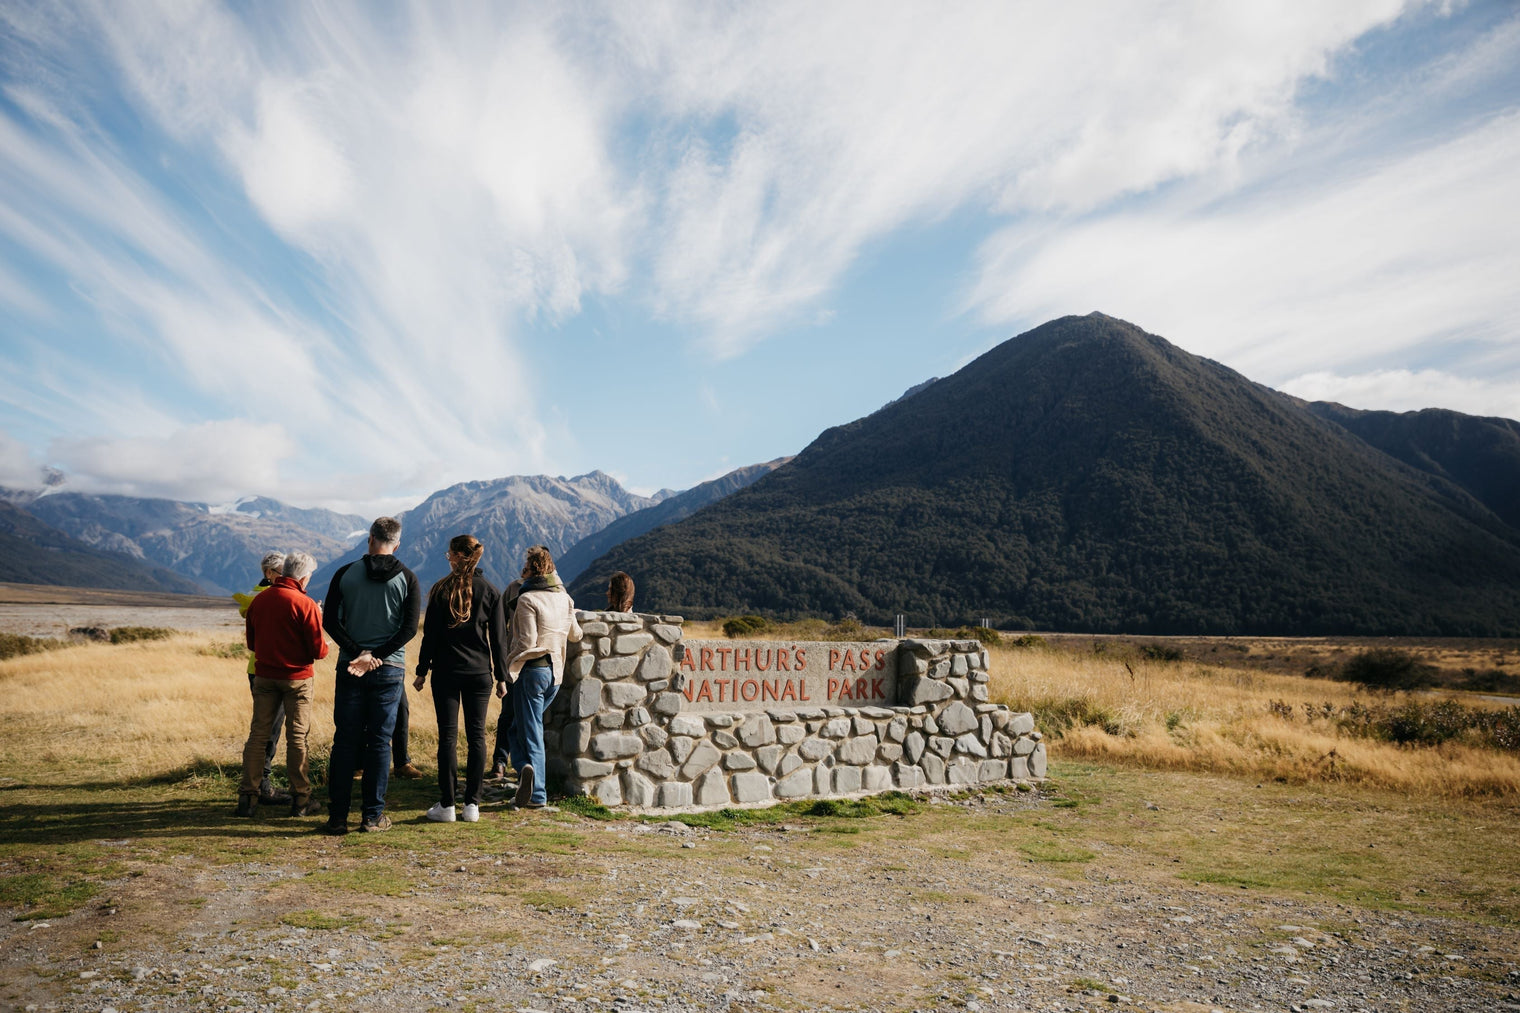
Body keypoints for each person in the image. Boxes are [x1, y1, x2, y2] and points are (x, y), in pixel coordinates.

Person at [321, 517, 421, 834]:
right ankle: (372, 816)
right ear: (397, 543)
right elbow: (408, 629)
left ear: (370, 539)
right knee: (380, 742)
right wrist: (376, 655)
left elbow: (330, 622)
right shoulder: (408, 578)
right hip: (389, 668)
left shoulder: (344, 573)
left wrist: (359, 653)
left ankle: (337, 817)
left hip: (351, 665)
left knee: (345, 741)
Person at [413, 535, 507, 823]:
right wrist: (502, 677)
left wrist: (421, 669)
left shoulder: (441, 589)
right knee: (477, 736)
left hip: (446, 673)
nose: (448, 558)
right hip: (480, 674)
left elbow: (430, 636)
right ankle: (473, 805)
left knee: (448, 738)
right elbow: (499, 639)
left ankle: (447, 805)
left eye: (448, 554)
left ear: (456, 555)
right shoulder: (490, 590)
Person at [237, 551, 328, 818]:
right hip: (297, 679)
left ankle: (248, 798)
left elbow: (252, 644)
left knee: (258, 735)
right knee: (297, 738)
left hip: (264, 677)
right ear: (304, 576)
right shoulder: (306, 603)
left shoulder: (259, 601)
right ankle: (301, 799)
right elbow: (318, 651)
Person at [503, 545, 582, 809]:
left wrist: (508, 662)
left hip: (533, 672)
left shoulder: (527, 599)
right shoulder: (565, 598)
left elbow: (526, 641)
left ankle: (536, 791)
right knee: (519, 727)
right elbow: (576, 635)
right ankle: (527, 771)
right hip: (555, 675)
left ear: (531, 570)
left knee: (532, 732)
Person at [232, 552, 291, 805]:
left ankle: (253, 787)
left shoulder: (256, 597)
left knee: (263, 728)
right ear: (269, 573)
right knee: (269, 729)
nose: (287, 577)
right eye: (282, 572)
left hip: (258, 668)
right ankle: (261, 786)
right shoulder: (265, 598)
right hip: (270, 670)